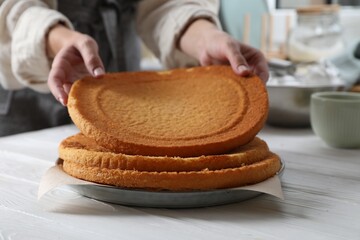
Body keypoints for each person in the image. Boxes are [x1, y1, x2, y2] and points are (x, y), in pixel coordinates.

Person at [0, 0, 269, 136]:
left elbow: (166, 4)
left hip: (124, 90)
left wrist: (206, 38)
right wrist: (57, 39)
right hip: (25, 97)